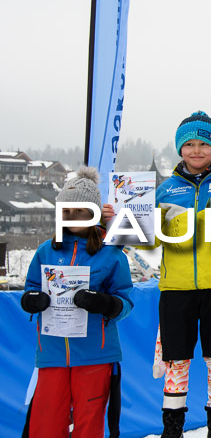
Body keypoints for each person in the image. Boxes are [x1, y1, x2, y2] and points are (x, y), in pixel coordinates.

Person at [104, 110, 211, 437]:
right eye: (188, 144)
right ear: (179, 148)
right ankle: (172, 428)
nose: (196, 150)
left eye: (203, 144)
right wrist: (116, 218)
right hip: (175, 288)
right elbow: (144, 238)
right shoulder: (163, 191)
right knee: (176, 360)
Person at [21, 167, 134, 437]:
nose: (72, 217)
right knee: (46, 425)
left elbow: (125, 302)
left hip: (95, 354)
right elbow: (31, 290)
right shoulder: (46, 250)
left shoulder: (111, 254)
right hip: (52, 354)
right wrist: (32, 300)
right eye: (66, 211)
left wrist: (105, 303)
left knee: (88, 424)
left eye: (80, 210)